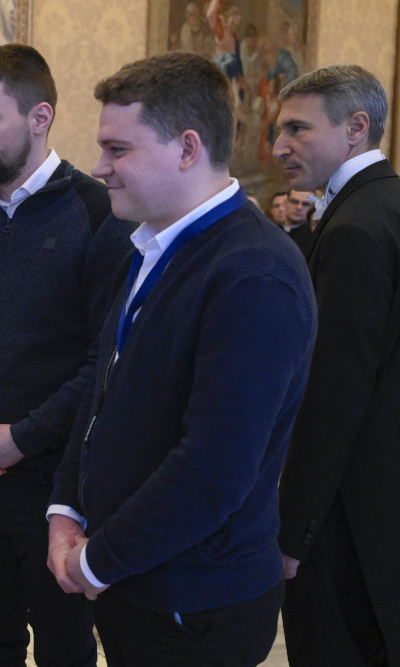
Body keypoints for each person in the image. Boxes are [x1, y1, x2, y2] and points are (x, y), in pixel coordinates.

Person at [47, 52, 317, 666]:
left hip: (195, 603)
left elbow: (213, 469)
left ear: (187, 147)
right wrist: (67, 508)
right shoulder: (147, 246)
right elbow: (103, 395)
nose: (99, 168)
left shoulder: (254, 274)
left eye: (118, 149)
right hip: (137, 579)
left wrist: (96, 560)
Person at [0, 44, 133, 665]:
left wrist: (26, 436)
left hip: (56, 483)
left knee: (64, 647)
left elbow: (108, 360)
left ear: (40, 118)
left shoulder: (98, 212)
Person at [274, 64, 400, 667]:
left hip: (347, 514)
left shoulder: (353, 227)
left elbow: (333, 392)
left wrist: (292, 529)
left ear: (356, 127)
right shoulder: (387, 205)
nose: (279, 147)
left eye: (298, 129)